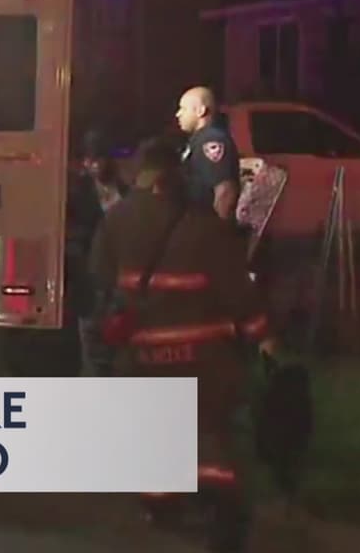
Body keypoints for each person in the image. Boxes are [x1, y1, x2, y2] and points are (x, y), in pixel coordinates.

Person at [90, 136, 274, 553]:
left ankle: (161, 505)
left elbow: (99, 279)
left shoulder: (116, 220)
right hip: (205, 361)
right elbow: (237, 292)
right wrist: (262, 336)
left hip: (142, 359)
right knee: (212, 437)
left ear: (141, 174)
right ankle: (222, 514)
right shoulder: (205, 225)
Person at [66, 129, 128, 376]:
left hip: (119, 278)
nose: (94, 165)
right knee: (92, 350)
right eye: (90, 160)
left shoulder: (124, 190)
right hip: (90, 279)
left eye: (99, 159)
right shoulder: (77, 193)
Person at [175, 87, 241, 221]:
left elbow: (225, 190)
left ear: (201, 111)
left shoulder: (210, 139)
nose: (178, 114)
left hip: (204, 223)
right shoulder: (198, 139)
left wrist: (217, 227)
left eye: (183, 109)